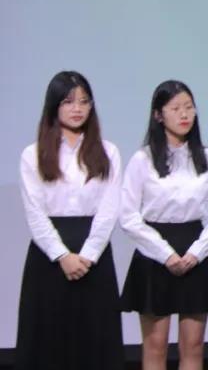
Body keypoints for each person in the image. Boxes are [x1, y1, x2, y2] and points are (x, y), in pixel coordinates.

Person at [119, 80, 208, 370]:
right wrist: (165, 254)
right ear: (158, 115)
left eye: (189, 107)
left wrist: (195, 253)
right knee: (155, 346)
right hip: (154, 253)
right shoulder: (142, 159)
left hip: (196, 251)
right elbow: (129, 216)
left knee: (193, 346)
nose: (184, 114)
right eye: (176, 108)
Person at [15, 71, 124, 370]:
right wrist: (62, 256)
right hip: (49, 257)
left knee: (96, 339)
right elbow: (35, 213)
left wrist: (88, 255)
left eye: (84, 101)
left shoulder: (109, 152)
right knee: (48, 340)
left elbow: (109, 209)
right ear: (54, 106)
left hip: (94, 256)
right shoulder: (33, 154)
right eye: (68, 102)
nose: (77, 108)